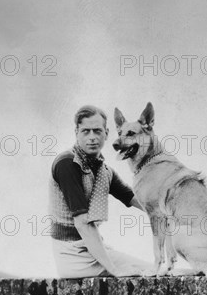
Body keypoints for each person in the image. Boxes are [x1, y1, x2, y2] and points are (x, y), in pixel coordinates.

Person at [49, 105, 154, 279]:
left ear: (106, 133)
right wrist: (115, 270)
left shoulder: (103, 170)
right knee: (153, 274)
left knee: (156, 271)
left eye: (97, 131)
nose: (92, 137)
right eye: (86, 131)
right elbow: (83, 223)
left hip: (93, 248)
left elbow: (133, 198)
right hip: (72, 254)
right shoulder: (67, 163)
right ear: (76, 132)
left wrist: (168, 214)